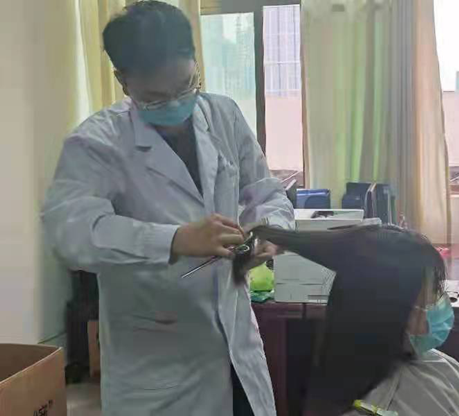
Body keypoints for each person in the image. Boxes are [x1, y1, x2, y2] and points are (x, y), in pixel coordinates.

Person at [42, 2, 294, 415]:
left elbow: (265, 192)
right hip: (158, 369)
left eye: (186, 85)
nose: (176, 105)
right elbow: (69, 233)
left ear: (195, 61)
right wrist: (174, 240)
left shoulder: (224, 115)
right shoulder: (96, 144)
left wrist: (267, 231)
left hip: (237, 347)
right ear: (123, 81)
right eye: (156, 99)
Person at [251, 225, 459, 416]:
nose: (438, 310)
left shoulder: (432, 365)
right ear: (390, 313)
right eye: (430, 301)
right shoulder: (388, 400)